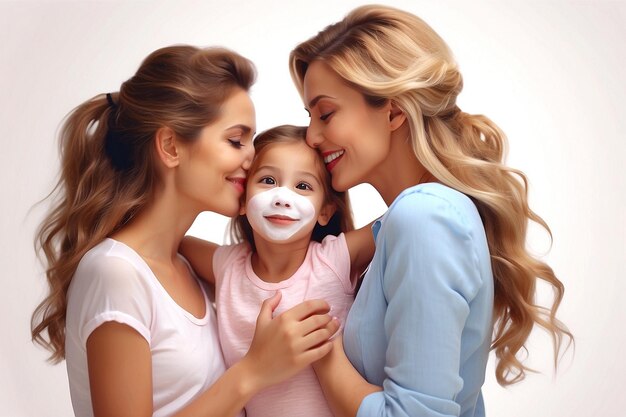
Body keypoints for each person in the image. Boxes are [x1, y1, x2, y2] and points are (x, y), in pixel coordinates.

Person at [289, 5, 573, 417]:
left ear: (394, 110)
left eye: (326, 113)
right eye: (309, 117)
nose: (312, 136)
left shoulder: (424, 218)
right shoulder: (413, 219)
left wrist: (322, 347)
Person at [30, 45, 340, 417]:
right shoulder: (115, 272)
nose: (250, 158)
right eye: (236, 140)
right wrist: (253, 372)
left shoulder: (188, 269)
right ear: (171, 146)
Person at [179, 125, 375, 417]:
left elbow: (406, 215)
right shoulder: (229, 266)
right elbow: (171, 240)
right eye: (268, 180)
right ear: (243, 201)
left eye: (303, 186)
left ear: (325, 211)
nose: (283, 197)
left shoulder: (335, 259)